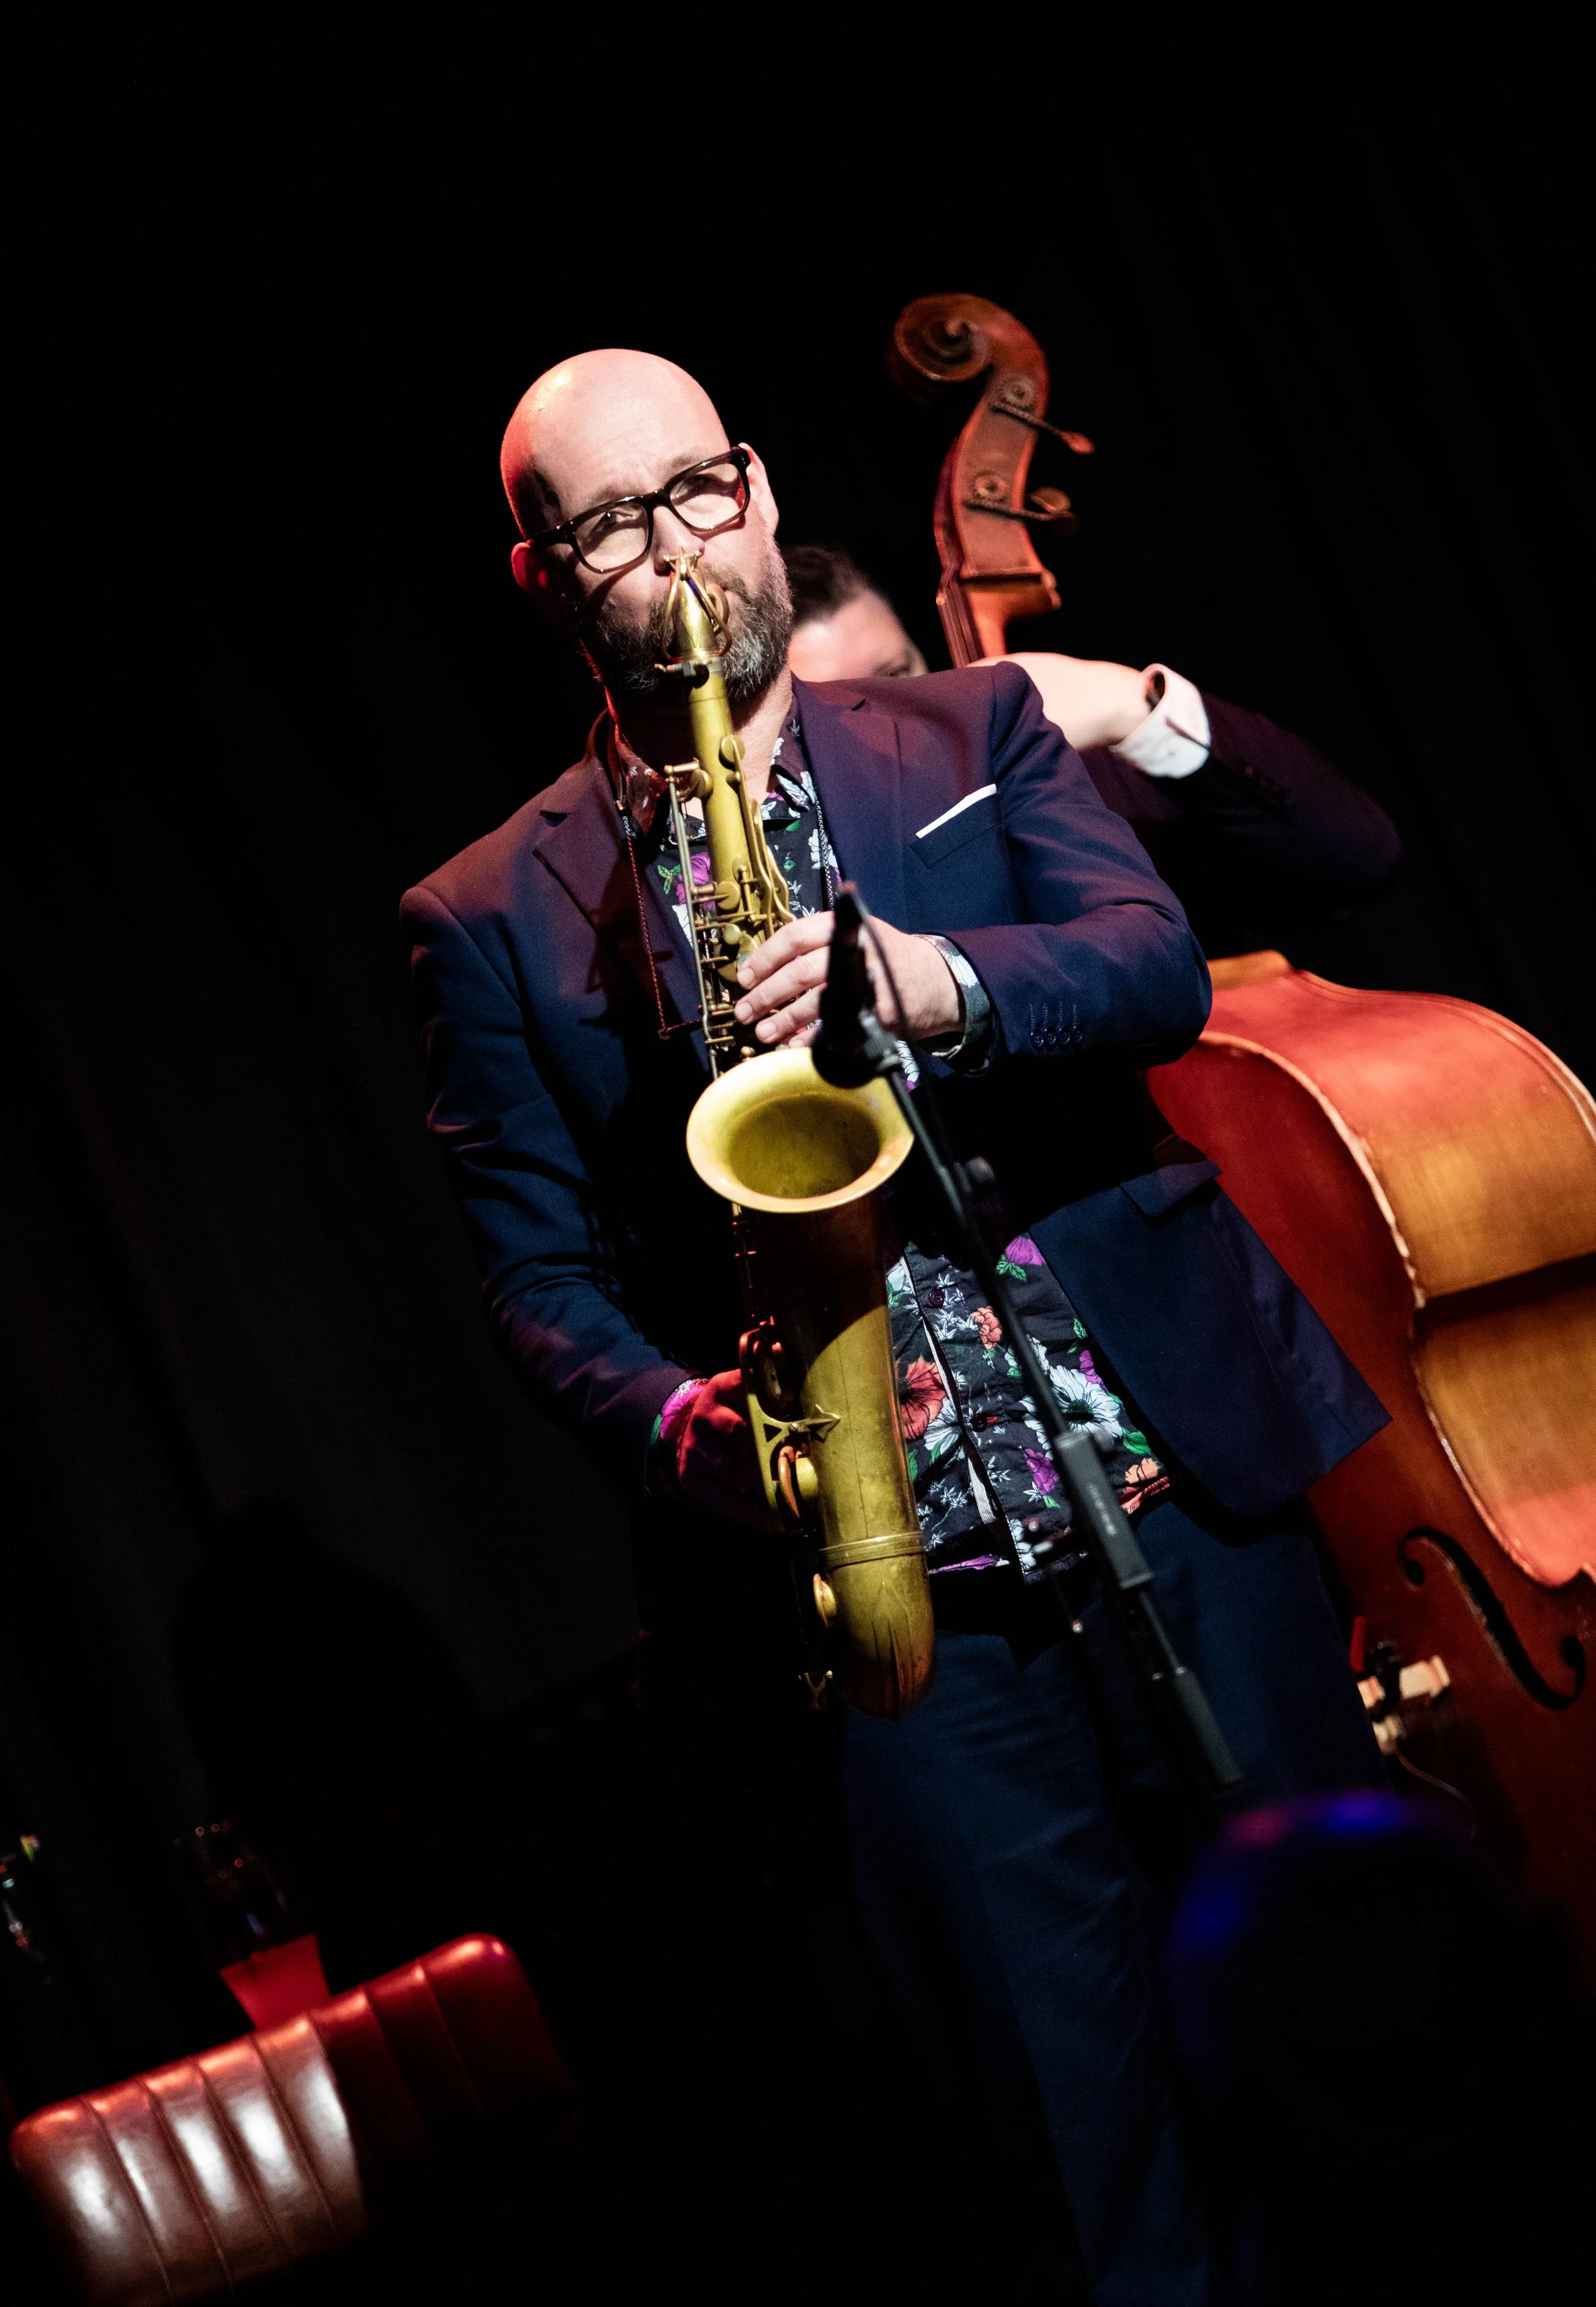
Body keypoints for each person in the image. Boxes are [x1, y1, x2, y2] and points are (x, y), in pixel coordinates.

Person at [402, 349, 1388, 2304]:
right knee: (1086, 2176)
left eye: (695, 490)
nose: (671, 548)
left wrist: (932, 980)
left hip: (1170, 1496)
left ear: (756, 489)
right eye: (609, 523)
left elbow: (1148, 967)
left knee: (1364, 2065)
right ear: (543, 578)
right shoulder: (486, 912)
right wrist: (708, 1436)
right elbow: (535, 1279)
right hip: (894, 1615)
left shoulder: (973, 730)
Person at [785, 540, 1401, 962]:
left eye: (900, 677)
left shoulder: (1066, 770)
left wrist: (1134, 710)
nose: (892, 711)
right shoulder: (805, 875)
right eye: (849, 706)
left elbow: (1357, 858)